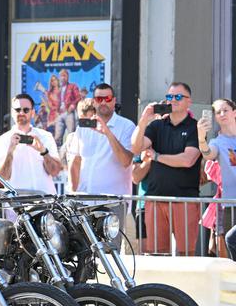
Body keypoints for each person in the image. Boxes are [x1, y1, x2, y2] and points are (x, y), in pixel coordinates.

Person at [131, 82, 202, 255]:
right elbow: (135, 147)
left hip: (185, 200)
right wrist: (143, 120)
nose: (173, 100)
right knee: (156, 254)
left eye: (178, 96)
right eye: (170, 96)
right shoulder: (156, 126)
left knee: (186, 254)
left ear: (188, 102)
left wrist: (157, 157)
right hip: (155, 199)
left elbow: (188, 160)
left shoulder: (195, 127)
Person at [71, 84, 138, 247]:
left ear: (114, 101)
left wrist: (107, 132)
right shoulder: (84, 126)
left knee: (112, 253)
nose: (103, 102)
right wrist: (74, 192)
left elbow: (125, 161)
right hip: (86, 203)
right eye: (99, 99)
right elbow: (76, 161)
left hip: (113, 204)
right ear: (94, 102)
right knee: (86, 253)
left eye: (107, 98)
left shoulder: (126, 126)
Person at [0, 94, 61, 198]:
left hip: (45, 203)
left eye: (26, 110)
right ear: (12, 112)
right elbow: (3, 176)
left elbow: (55, 171)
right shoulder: (2, 140)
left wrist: (43, 151)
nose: (21, 113)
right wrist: (10, 151)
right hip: (17, 206)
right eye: (17, 110)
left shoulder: (45, 136)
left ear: (33, 112)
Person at [197, 98, 236, 259]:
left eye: (225, 110)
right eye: (217, 112)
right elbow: (208, 153)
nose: (221, 114)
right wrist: (201, 138)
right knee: (230, 248)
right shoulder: (217, 142)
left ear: (234, 112)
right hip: (230, 205)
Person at [53, 68, 83, 146]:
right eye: (61, 76)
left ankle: (72, 154)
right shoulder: (59, 90)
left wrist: (73, 105)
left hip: (69, 113)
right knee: (57, 137)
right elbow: (57, 102)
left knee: (71, 134)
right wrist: (56, 111)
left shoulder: (72, 86)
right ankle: (57, 156)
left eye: (64, 76)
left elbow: (78, 97)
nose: (63, 77)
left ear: (67, 77)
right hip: (60, 114)